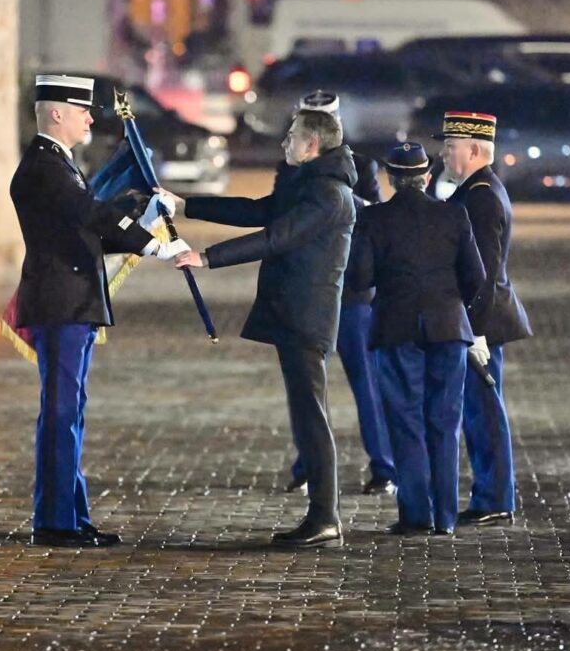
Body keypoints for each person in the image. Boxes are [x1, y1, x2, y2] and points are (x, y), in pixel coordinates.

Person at [165, 100, 357, 549]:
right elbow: (256, 211)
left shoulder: (328, 194)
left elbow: (277, 238)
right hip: (294, 314)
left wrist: (208, 258)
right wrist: (186, 204)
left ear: (311, 146)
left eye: (290, 137)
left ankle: (326, 517)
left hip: (308, 317)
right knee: (308, 412)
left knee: (312, 416)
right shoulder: (309, 184)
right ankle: (322, 515)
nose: (284, 143)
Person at [10, 74, 189, 548]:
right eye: (82, 110)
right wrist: (155, 244)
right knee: (61, 412)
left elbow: (93, 228)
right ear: (56, 114)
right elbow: (93, 215)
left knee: (71, 411)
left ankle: (70, 513)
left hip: (75, 301)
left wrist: (146, 220)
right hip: (61, 303)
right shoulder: (45, 169)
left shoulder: (61, 166)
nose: (90, 117)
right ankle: (54, 522)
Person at [346, 142, 486, 535]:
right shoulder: (454, 214)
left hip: (396, 328)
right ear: (427, 178)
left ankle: (415, 514)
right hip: (447, 328)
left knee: (405, 421)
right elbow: (475, 278)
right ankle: (446, 517)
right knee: (445, 422)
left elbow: (360, 278)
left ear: (390, 179)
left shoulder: (374, 220)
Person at [285, 92, 396, 497]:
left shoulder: (359, 167)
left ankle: (384, 466)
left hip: (352, 294)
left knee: (366, 383)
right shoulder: (291, 171)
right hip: (308, 292)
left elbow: (378, 220)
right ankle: (308, 464)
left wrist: (347, 202)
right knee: (305, 386)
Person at [438, 111, 532, 526]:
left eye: (450, 147)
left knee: (483, 412)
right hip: (480, 322)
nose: (443, 154)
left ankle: (495, 497)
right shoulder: (478, 189)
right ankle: (492, 493)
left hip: (481, 325)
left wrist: (473, 331)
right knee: (480, 411)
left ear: (474, 150)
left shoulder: (479, 196)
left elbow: (484, 272)